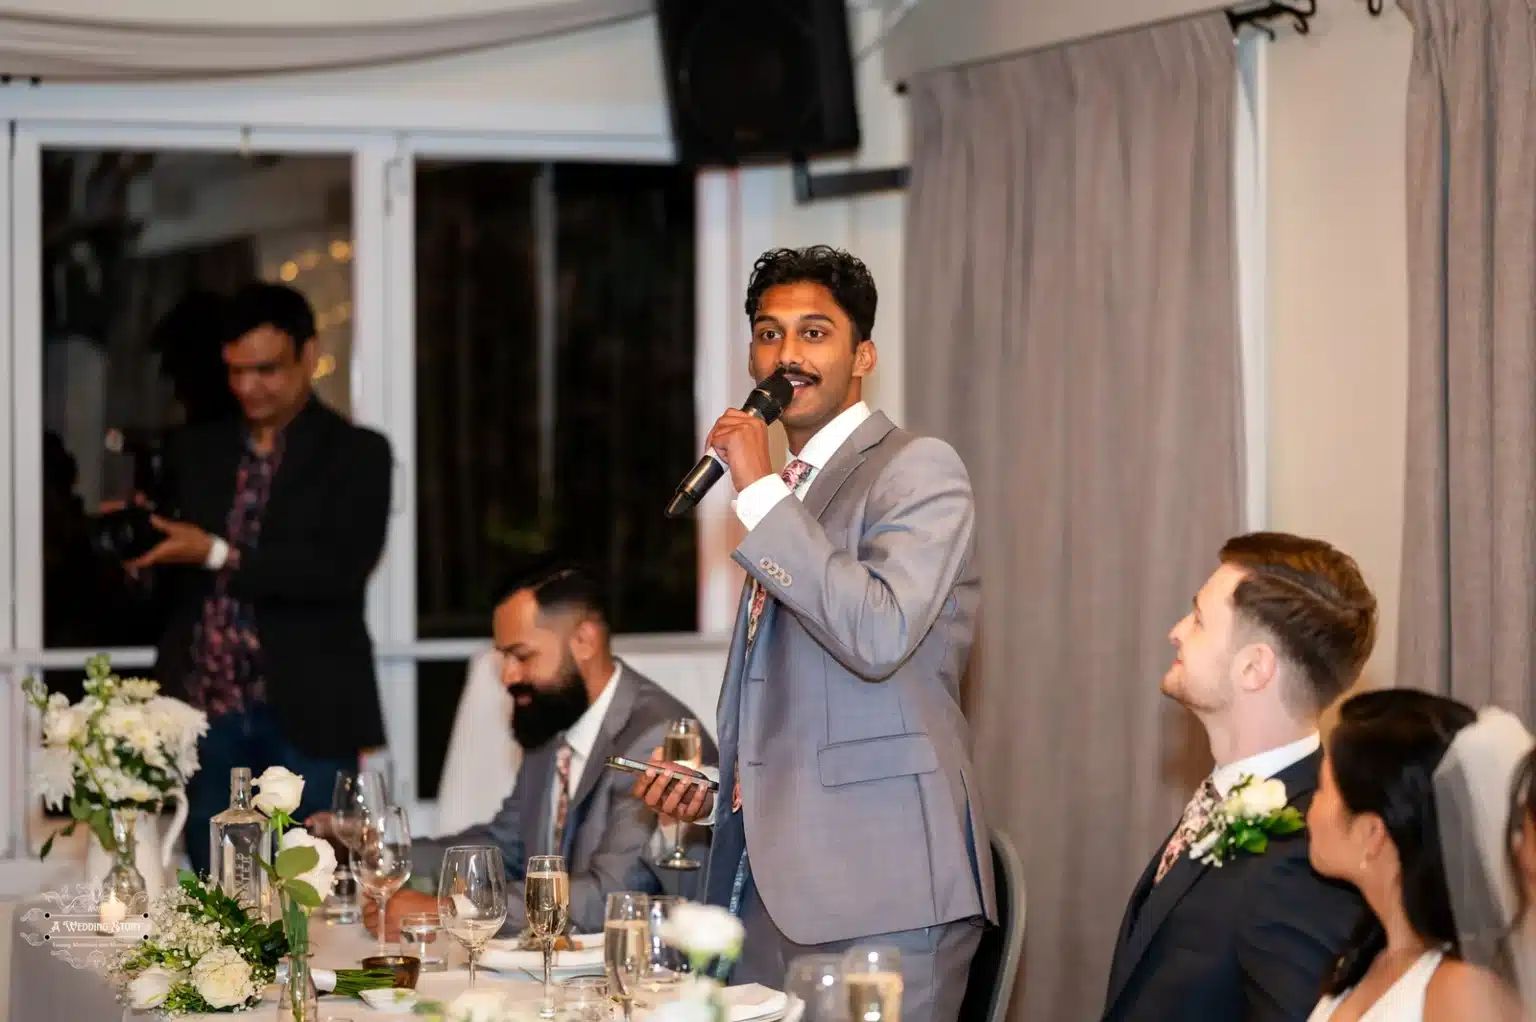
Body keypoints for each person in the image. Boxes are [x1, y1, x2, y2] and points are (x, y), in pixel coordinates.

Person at [634, 245, 993, 1022]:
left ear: (863, 354)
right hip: (772, 894)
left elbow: (877, 631)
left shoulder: (915, 468)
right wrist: (719, 790)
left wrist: (759, 489)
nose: (786, 355)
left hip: (882, 889)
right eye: (769, 333)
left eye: (814, 333)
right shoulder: (792, 495)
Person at [131, 282, 393, 876]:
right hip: (206, 709)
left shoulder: (357, 454)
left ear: (309, 353)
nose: (248, 386)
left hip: (308, 709)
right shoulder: (198, 451)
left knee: (318, 889)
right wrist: (139, 544)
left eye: (267, 369)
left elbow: (339, 571)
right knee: (218, 904)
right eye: (236, 370)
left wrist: (221, 553)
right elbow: (172, 574)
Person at [334, 557, 716, 940]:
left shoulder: (656, 738)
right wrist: (380, 848)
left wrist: (447, 911)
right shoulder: (553, 721)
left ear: (583, 641)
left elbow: (606, 898)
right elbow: (506, 847)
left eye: (522, 656)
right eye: (504, 658)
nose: (507, 676)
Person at [1101, 532, 1374, 1022]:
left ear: (1254, 669)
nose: (1177, 631)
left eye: (1200, 620)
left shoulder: (1305, 858)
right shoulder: (1227, 795)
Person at [1305, 689, 1520, 1021]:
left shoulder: (1464, 988)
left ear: (1372, 833)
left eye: (1322, 790)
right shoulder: (1367, 959)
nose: (1310, 809)